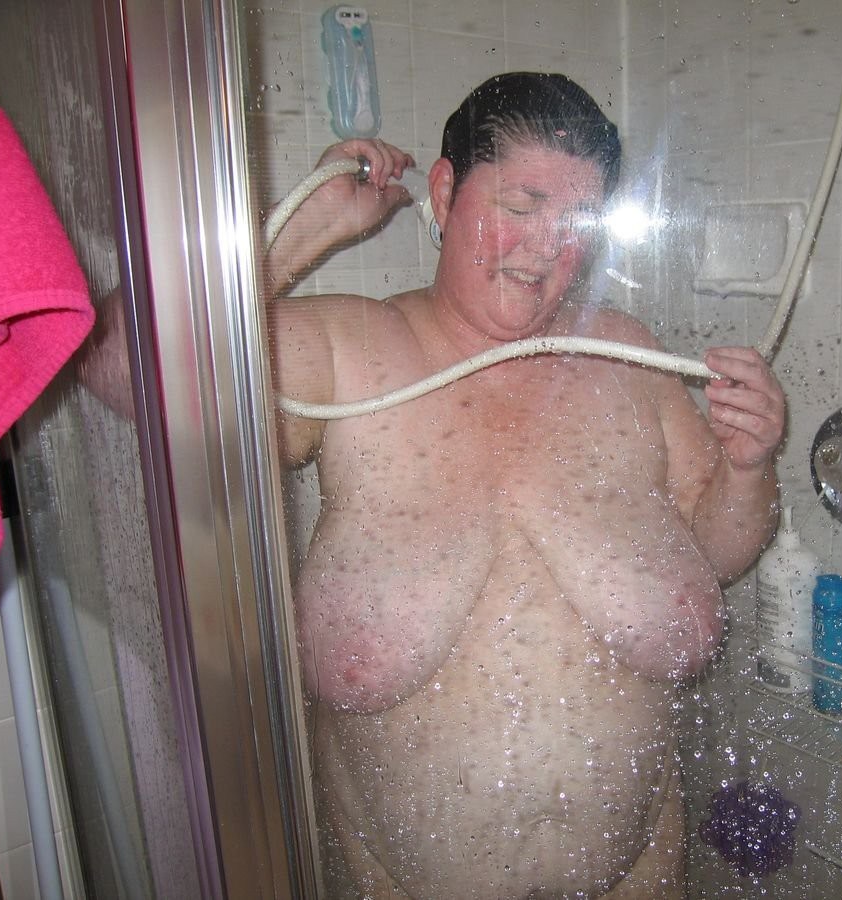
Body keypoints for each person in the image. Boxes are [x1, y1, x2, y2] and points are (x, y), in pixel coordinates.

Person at [265, 72, 785, 899]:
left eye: (575, 221)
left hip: (640, 876)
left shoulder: (625, 354)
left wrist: (749, 467)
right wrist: (301, 234)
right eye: (522, 206)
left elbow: (716, 553)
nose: (548, 249)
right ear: (444, 192)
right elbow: (119, 363)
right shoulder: (346, 350)